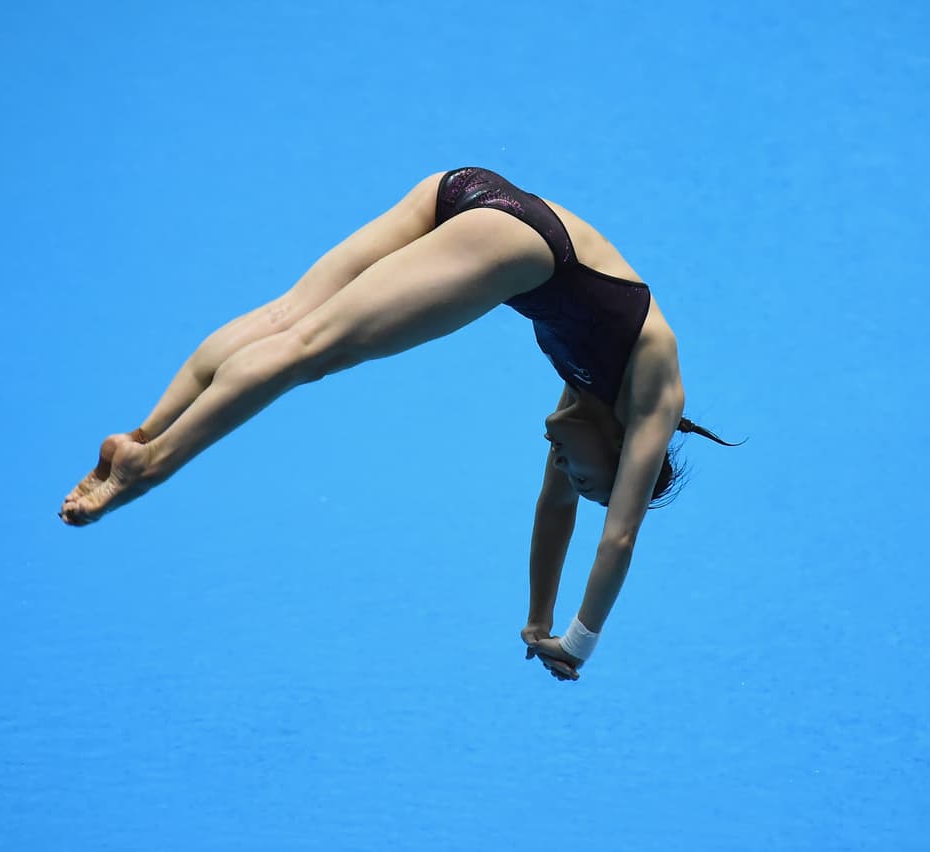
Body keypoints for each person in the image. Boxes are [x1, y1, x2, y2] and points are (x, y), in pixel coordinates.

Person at [59, 167, 737, 681]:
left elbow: (553, 511)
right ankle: (151, 467)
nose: (560, 466)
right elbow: (616, 536)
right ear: (621, 453)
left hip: (465, 189)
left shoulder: (588, 395)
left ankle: (144, 434)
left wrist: (538, 619)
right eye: (581, 474)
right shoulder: (653, 394)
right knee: (308, 352)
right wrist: (580, 642)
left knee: (286, 317)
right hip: (516, 244)